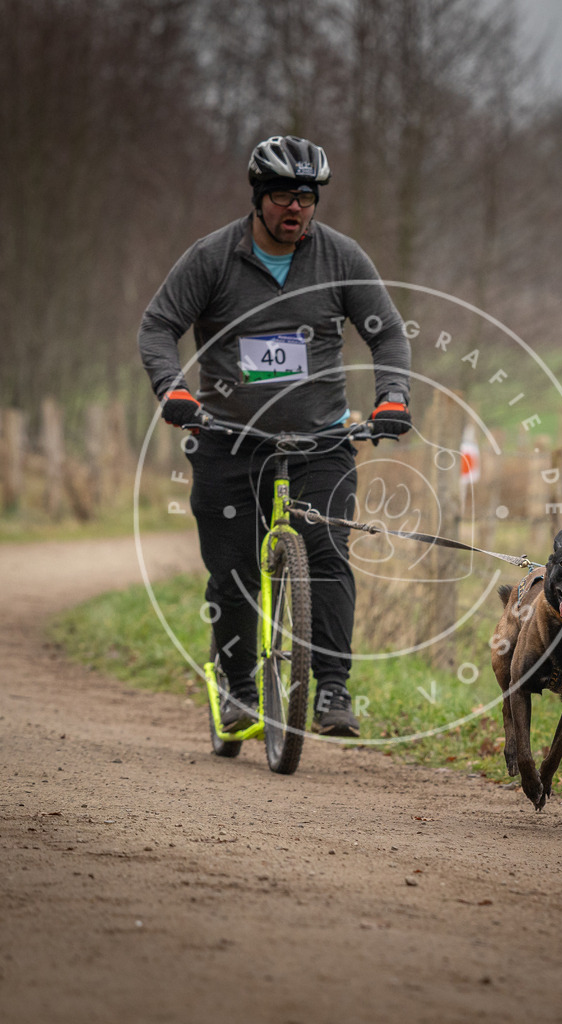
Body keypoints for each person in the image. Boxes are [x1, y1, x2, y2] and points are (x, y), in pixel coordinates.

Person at [138, 134, 411, 738]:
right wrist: (173, 391)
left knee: (328, 554)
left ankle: (333, 691)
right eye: (285, 196)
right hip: (229, 438)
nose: (297, 208)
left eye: (308, 198)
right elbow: (159, 326)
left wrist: (392, 396)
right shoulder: (211, 258)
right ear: (260, 198)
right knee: (234, 571)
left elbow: (387, 333)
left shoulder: (341, 257)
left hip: (320, 440)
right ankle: (237, 689)